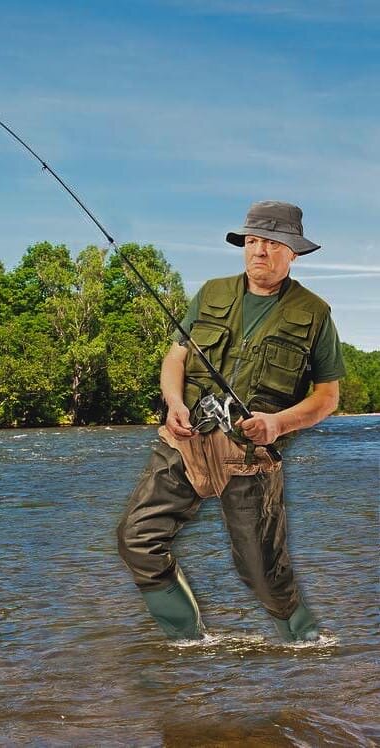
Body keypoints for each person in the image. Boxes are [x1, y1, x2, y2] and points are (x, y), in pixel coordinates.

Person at [117, 201, 346, 642]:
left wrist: (277, 424)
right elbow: (175, 359)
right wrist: (173, 402)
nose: (259, 251)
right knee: (136, 538)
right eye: (253, 241)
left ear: (293, 252)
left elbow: (327, 397)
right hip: (186, 441)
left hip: (250, 457)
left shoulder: (315, 312)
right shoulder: (211, 293)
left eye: (272, 243)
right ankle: (188, 642)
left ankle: (306, 645)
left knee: (261, 571)